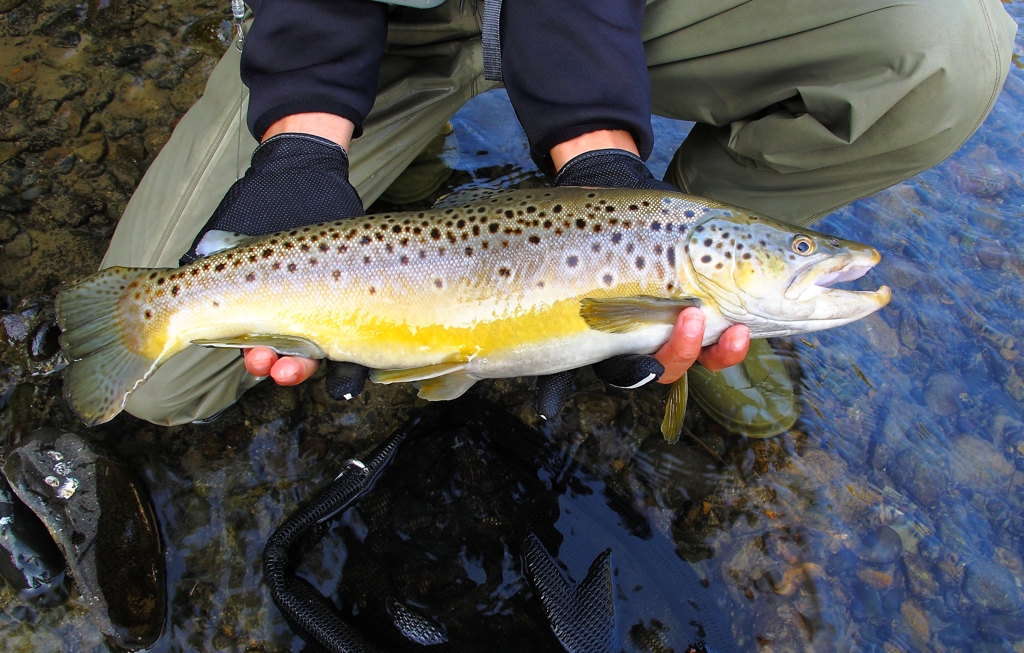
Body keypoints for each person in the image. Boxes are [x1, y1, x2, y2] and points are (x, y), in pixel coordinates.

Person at [102, 0, 1016, 429]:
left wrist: (599, 157)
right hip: (380, 19)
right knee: (164, 375)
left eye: (796, 253)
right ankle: (382, 163)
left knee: (945, 46)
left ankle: (686, 328)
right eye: (800, 254)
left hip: (615, 12)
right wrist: (301, 144)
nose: (824, 258)